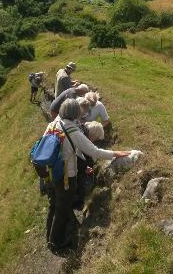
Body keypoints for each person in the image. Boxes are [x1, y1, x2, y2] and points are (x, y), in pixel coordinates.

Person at [46, 99, 129, 252]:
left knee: (55, 204)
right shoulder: (73, 131)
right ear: (75, 113)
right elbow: (95, 152)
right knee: (62, 208)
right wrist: (116, 153)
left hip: (51, 171)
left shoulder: (54, 124)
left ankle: (50, 235)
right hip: (66, 176)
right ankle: (56, 242)